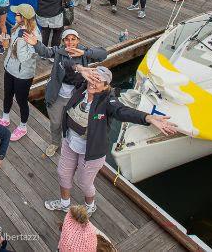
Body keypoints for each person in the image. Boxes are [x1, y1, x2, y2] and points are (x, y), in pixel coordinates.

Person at [35, 65, 175, 214]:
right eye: (93, 77)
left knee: (84, 182)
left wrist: (147, 117)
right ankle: (64, 203)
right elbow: (63, 66)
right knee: (63, 174)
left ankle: (90, 206)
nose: (93, 82)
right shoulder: (81, 86)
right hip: (70, 142)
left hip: (91, 152)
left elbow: (122, 111)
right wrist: (81, 69)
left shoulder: (108, 102)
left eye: (98, 80)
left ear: (106, 86)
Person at [26, 29, 107, 157]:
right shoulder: (59, 50)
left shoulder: (83, 52)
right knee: (56, 123)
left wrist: (85, 52)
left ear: (78, 40)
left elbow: (103, 54)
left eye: (73, 39)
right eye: (67, 39)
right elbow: (45, 51)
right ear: (63, 41)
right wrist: (36, 43)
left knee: (72, 123)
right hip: (57, 95)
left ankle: (69, 143)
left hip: (75, 97)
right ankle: (55, 142)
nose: (70, 42)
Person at [0, 4, 40, 140]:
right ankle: (5, 117)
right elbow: (11, 48)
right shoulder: (17, 27)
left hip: (23, 74)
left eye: (17, 14)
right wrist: (6, 44)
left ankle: (23, 127)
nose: (14, 15)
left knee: (21, 100)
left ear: (23, 18)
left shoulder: (34, 35)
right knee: (7, 94)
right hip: (9, 68)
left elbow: (23, 58)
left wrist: (22, 40)